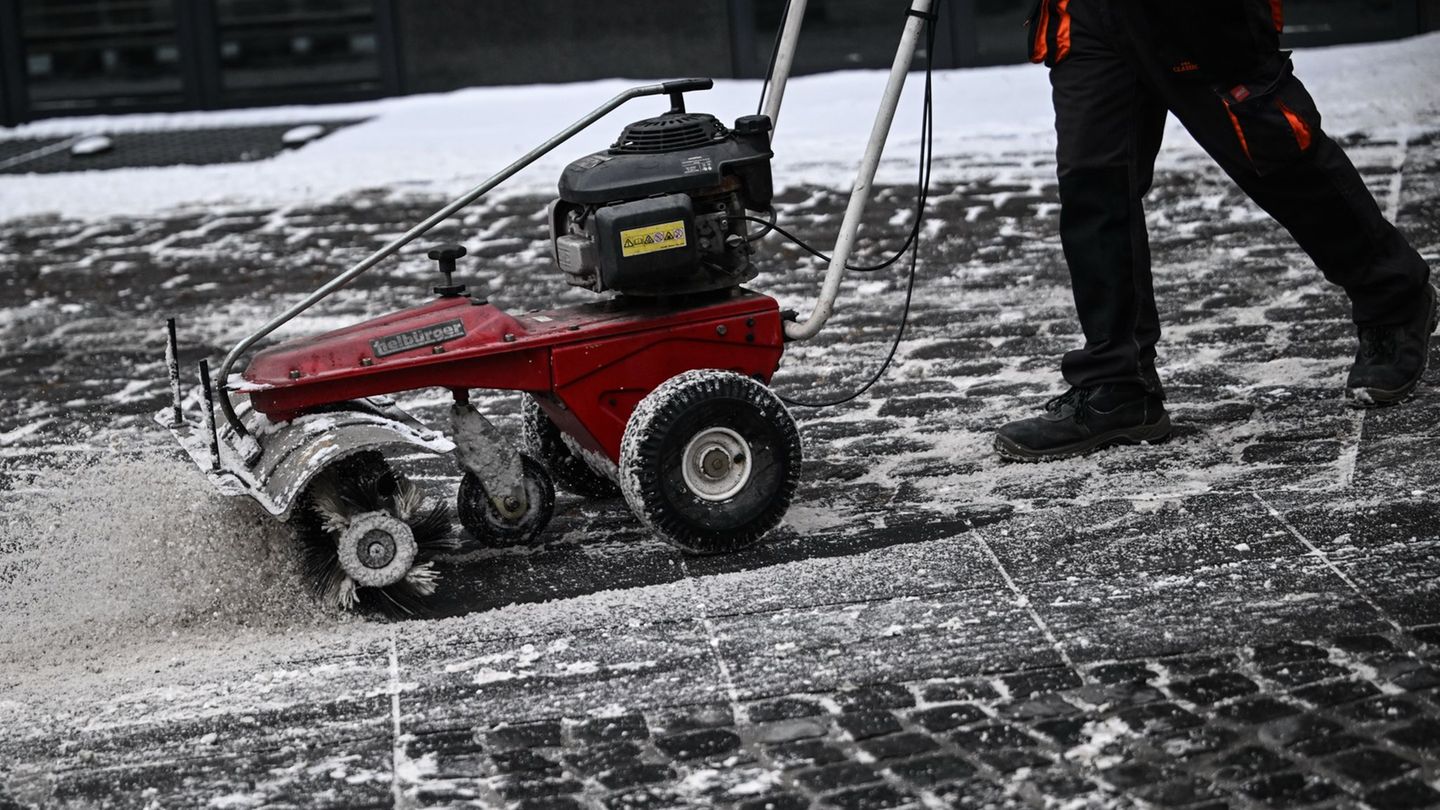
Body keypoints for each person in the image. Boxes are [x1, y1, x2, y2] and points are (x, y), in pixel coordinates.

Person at [994, 0, 1436, 461]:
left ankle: (1394, 296)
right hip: (1085, 15)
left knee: (1273, 154)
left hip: (1193, 13)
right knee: (1093, 186)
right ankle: (1117, 384)